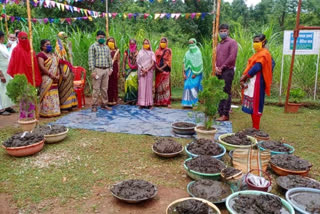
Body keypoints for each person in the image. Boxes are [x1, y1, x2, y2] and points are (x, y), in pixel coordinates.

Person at [240, 34, 275, 130]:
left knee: (256, 104)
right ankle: (254, 126)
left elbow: (257, 67)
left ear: (263, 42)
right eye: (254, 42)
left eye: (257, 41)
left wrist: (245, 76)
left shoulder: (264, 54)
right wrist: (246, 76)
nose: (255, 44)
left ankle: (256, 127)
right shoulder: (258, 54)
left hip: (259, 82)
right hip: (253, 81)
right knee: (253, 104)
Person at [215, 24, 238, 121]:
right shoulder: (219, 44)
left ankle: (225, 114)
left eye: (224, 30)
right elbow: (216, 57)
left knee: (226, 92)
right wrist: (216, 67)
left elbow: (232, 57)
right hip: (219, 71)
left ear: (228, 31)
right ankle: (220, 112)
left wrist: (222, 67)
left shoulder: (232, 43)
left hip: (227, 71)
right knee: (220, 92)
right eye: (221, 31)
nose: (222, 32)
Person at [88, 30, 113, 112]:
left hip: (106, 70)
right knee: (96, 89)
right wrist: (93, 71)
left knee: (104, 88)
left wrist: (111, 69)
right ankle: (94, 105)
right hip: (97, 69)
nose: (101, 39)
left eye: (103, 37)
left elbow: (109, 59)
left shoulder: (106, 48)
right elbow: (91, 59)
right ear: (97, 37)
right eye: (100, 37)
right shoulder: (93, 47)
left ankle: (104, 104)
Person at [37, 40, 61, 117]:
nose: (49, 46)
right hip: (46, 78)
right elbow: (42, 67)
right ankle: (46, 112)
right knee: (47, 94)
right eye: (47, 44)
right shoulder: (41, 55)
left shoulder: (53, 55)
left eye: (50, 44)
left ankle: (55, 111)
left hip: (54, 78)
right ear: (42, 46)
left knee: (54, 93)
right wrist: (51, 75)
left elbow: (57, 65)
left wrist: (58, 75)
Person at [55, 32, 77, 111]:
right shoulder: (59, 46)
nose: (65, 37)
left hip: (68, 67)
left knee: (69, 86)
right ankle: (64, 105)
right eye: (63, 36)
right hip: (63, 68)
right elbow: (60, 60)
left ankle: (70, 104)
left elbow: (69, 57)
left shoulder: (65, 44)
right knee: (64, 86)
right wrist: (62, 72)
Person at [181, 38, 203, 108]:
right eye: (189, 43)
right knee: (186, 86)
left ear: (195, 43)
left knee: (194, 87)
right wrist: (183, 73)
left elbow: (199, 64)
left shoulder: (198, 53)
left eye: (192, 43)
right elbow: (184, 62)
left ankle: (194, 103)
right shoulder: (187, 53)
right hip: (188, 72)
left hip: (196, 73)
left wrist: (195, 73)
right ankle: (186, 103)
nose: (191, 44)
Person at [136, 39, 155, 109]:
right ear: (142, 44)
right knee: (142, 87)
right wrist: (143, 69)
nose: (146, 44)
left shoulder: (152, 53)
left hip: (149, 72)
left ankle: (149, 104)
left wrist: (147, 70)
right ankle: (142, 103)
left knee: (148, 87)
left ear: (149, 44)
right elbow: (138, 62)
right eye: (144, 43)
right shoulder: (140, 52)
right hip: (142, 71)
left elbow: (152, 63)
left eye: (147, 43)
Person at [0, 31, 15, 116]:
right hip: (1, 70)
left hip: (7, 69)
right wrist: (1, 75)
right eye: (3, 36)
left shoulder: (3, 46)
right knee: (1, 89)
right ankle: (1, 108)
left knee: (7, 88)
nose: (4, 38)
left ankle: (7, 106)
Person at [154, 37, 172, 107]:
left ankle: (166, 102)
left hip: (165, 71)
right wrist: (157, 68)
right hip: (158, 71)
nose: (162, 43)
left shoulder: (168, 50)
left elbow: (167, 61)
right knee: (158, 87)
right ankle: (158, 102)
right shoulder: (157, 51)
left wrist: (161, 68)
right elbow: (154, 60)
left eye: (164, 42)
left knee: (165, 87)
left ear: (166, 43)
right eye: (161, 42)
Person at [122, 39, 139, 104]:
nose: (132, 45)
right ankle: (128, 99)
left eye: (133, 44)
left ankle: (134, 99)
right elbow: (124, 61)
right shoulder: (126, 52)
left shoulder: (138, 52)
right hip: (128, 69)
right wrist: (123, 70)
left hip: (135, 70)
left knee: (134, 83)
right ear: (129, 44)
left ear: (136, 44)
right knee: (127, 82)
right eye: (130, 44)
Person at [107, 37, 120, 106]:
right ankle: (108, 100)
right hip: (107, 68)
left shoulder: (117, 51)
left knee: (114, 84)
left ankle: (114, 100)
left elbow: (118, 61)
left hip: (114, 68)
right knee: (107, 84)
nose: (111, 43)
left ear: (114, 43)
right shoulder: (105, 50)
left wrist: (118, 71)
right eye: (109, 41)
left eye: (112, 41)